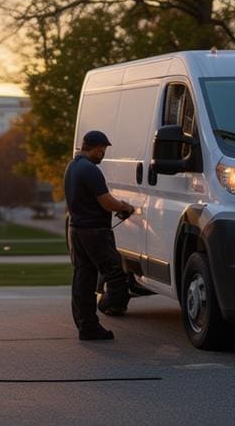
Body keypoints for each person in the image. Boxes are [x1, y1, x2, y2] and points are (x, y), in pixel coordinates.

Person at [64, 130, 136, 341]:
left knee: (83, 279)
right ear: (95, 148)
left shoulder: (72, 166)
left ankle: (87, 327)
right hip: (94, 231)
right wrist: (125, 206)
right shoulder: (90, 170)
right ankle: (109, 305)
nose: (103, 153)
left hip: (76, 230)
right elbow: (106, 202)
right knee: (114, 271)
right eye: (102, 149)